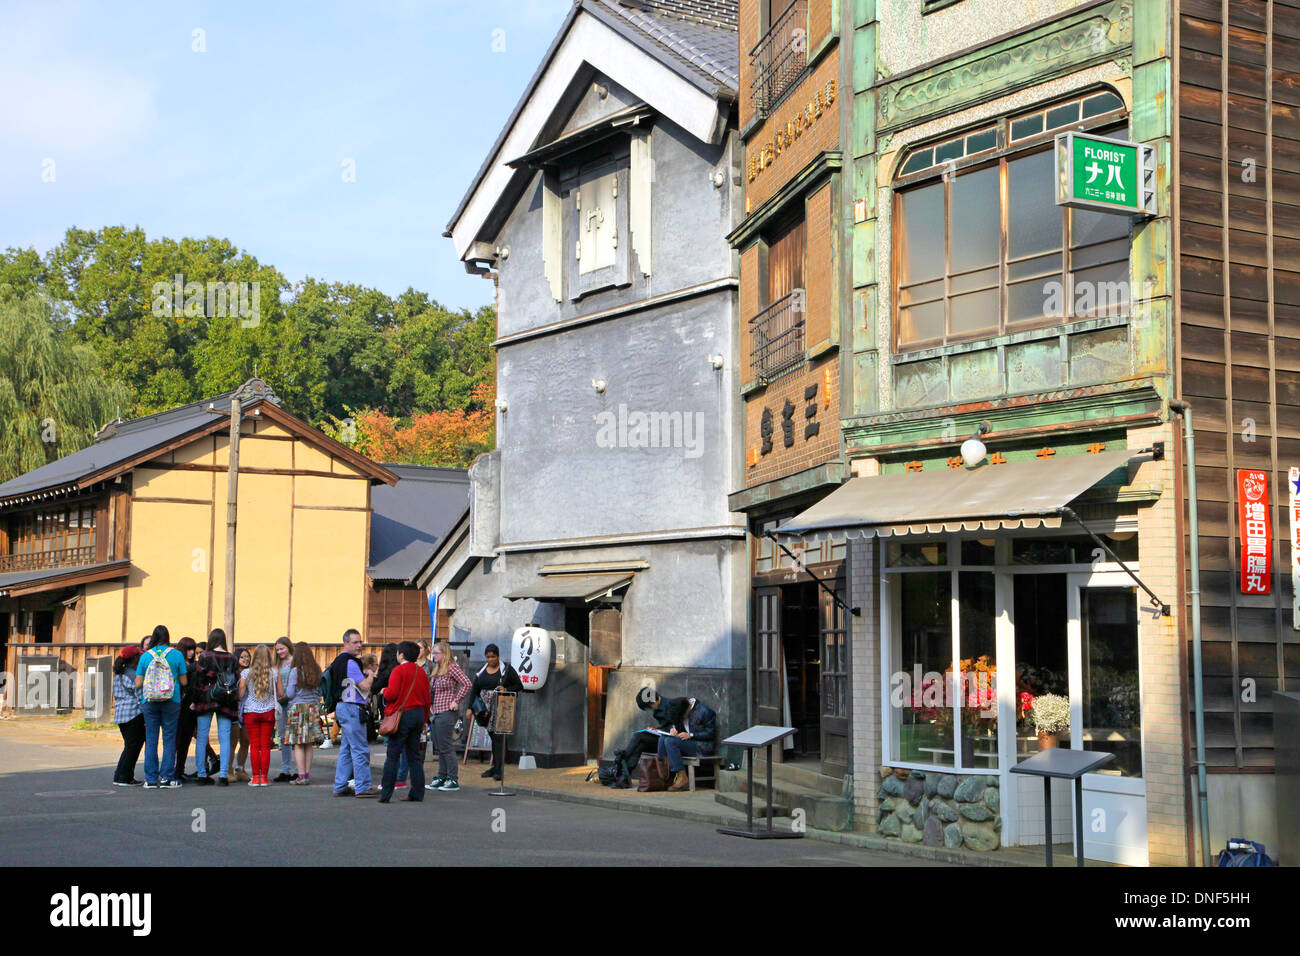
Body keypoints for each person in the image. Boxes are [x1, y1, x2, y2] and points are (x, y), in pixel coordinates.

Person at [134, 625, 187, 789]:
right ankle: (167, 777)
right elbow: (184, 681)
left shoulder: (145, 657)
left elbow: (138, 683)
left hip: (149, 701)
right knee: (169, 739)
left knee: (151, 739)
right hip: (172, 700)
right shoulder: (177, 654)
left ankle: (150, 779)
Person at [378, 641, 431, 802]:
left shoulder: (398, 670)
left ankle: (386, 793)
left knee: (393, 755)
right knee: (414, 755)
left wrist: (384, 691)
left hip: (402, 715)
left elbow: (391, 694)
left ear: (401, 654)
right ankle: (417, 792)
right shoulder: (421, 672)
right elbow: (427, 698)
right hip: (418, 714)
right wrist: (426, 719)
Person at [604, 688, 689, 789]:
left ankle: (617, 767)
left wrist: (665, 730)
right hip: (663, 738)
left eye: (649, 707)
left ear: (653, 701)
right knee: (640, 745)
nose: (651, 709)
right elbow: (665, 726)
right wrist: (656, 730)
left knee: (638, 736)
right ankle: (624, 776)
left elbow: (679, 727)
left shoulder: (672, 705)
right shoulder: (658, 708)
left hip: (671, 741)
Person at [327, 629, 378, 797]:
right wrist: (370, 675)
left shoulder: (337, 662)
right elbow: (364, 686)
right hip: (352, 707)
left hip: (341, 706)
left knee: (347, 749)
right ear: (346, 643)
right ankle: (363, 786)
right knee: (360, 749)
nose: (359, 645)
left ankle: (340, 785)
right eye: (355, 642)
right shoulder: (351, 662)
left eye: (360, 642)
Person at [463, 643, 523, 781]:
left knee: (498, 738)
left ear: (498, 656)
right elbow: (474, 690)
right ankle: (495, 766)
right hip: (485, 709)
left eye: (493, 657)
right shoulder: (481, 671)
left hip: (501, 707)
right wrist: (469, 708)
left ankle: (499, 769)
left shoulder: (506, 670)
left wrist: (506, 689)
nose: (490, 660)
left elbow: (519, 685)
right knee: (492, 736)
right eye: (488, 657)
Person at [191, 629, 240, 786]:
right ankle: (224, 775)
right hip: (226, 699)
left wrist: (194, 700)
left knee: (202, 737)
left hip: (206, 698)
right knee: (224, 738)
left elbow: (198, 681)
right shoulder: (232, 658)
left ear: (211, 639)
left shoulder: (205, 656)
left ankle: (201, 774)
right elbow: (236, 680)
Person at [425, 640, 471, 792]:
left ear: (444, 654)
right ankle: (442, 776)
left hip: (447, 711)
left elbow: (467, 683)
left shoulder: (452, 668)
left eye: (436, 653)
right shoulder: (437, 669)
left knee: (446, 746)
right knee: (440, 746)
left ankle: (452, 778)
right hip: (436, 711)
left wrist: (456, 700)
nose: (434, 655)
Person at [655, 695, 717, 792]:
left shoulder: (704, 711)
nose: (683, 718)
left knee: (670, 741)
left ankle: (682, 777)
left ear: (686, 710)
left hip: (702, 747)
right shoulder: (679, 707)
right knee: (663, 738)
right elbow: (675, 723)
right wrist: (673, 729)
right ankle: (666, 775)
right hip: (688, 743)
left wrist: (691, 735)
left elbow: (711, 734)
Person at [282, 643, 324, 784]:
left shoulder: (295, 671)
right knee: (309, 744)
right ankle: (306, 774)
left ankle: (300, 776)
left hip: (297, 709)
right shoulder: (316, 670)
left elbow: (290, 693)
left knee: (298, 744)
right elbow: (320, 692)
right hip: (312, 709)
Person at [239, 645, 280, 787]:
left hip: (251, 711)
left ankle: (256, 777)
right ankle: (265, 777)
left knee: (255, 746)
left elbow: (240, 694)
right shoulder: (274, 673)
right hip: (268, 711)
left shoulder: (246, 673)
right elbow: (279, 692)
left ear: (254, 656)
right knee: (266, 746)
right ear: (269, 657)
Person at [111, 646, 145, 786]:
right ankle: (125, 777)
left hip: (120, 713)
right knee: (133, 746)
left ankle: (120, 775)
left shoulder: (119, 674)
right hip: (134, 714)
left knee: (129, 746)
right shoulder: (133, 674)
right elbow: (140, 695)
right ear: (135, 658)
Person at [172, 637, 199, 781]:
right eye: (189, 649)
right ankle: (172, 771)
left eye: (193, 649)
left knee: (186, 741)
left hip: (192, 707)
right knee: (176, 740)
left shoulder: (194, 664)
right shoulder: (178, 663)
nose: (192, 652)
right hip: (178, 705)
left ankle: (180, 770)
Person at [272, 636, 297, 782]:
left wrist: (287, 695)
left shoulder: (295, 662)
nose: (280, 652)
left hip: (293, 702)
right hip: (280, 704)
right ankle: (285, 769)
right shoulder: (276, 665)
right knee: (283, 737)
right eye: (277, 650)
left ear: (288, 647)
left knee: (295, 737)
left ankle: (298, 769)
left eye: (282, 648)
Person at [232, 647, 252, 781]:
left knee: (246, 741)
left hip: (248, 709)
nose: (246, 659)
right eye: (242, 657)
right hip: (234, 710)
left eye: (247, 657)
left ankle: (240, 768)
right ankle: (227, 769)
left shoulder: (252, 673)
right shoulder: (232, 674)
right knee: (232, 742)